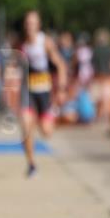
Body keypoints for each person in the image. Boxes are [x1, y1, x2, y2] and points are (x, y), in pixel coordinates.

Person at [18, 10, 67, 177]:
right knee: (26, 126)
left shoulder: (45, 42)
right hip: (28, 90)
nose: (30, 26)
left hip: (44, 91)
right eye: (27, 23)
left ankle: (47, 116)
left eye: (33, 23)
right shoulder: (21, 43)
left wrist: (61, 89)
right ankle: (31, 164)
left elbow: (60, 65)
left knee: (46, 132)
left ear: (38, 25)